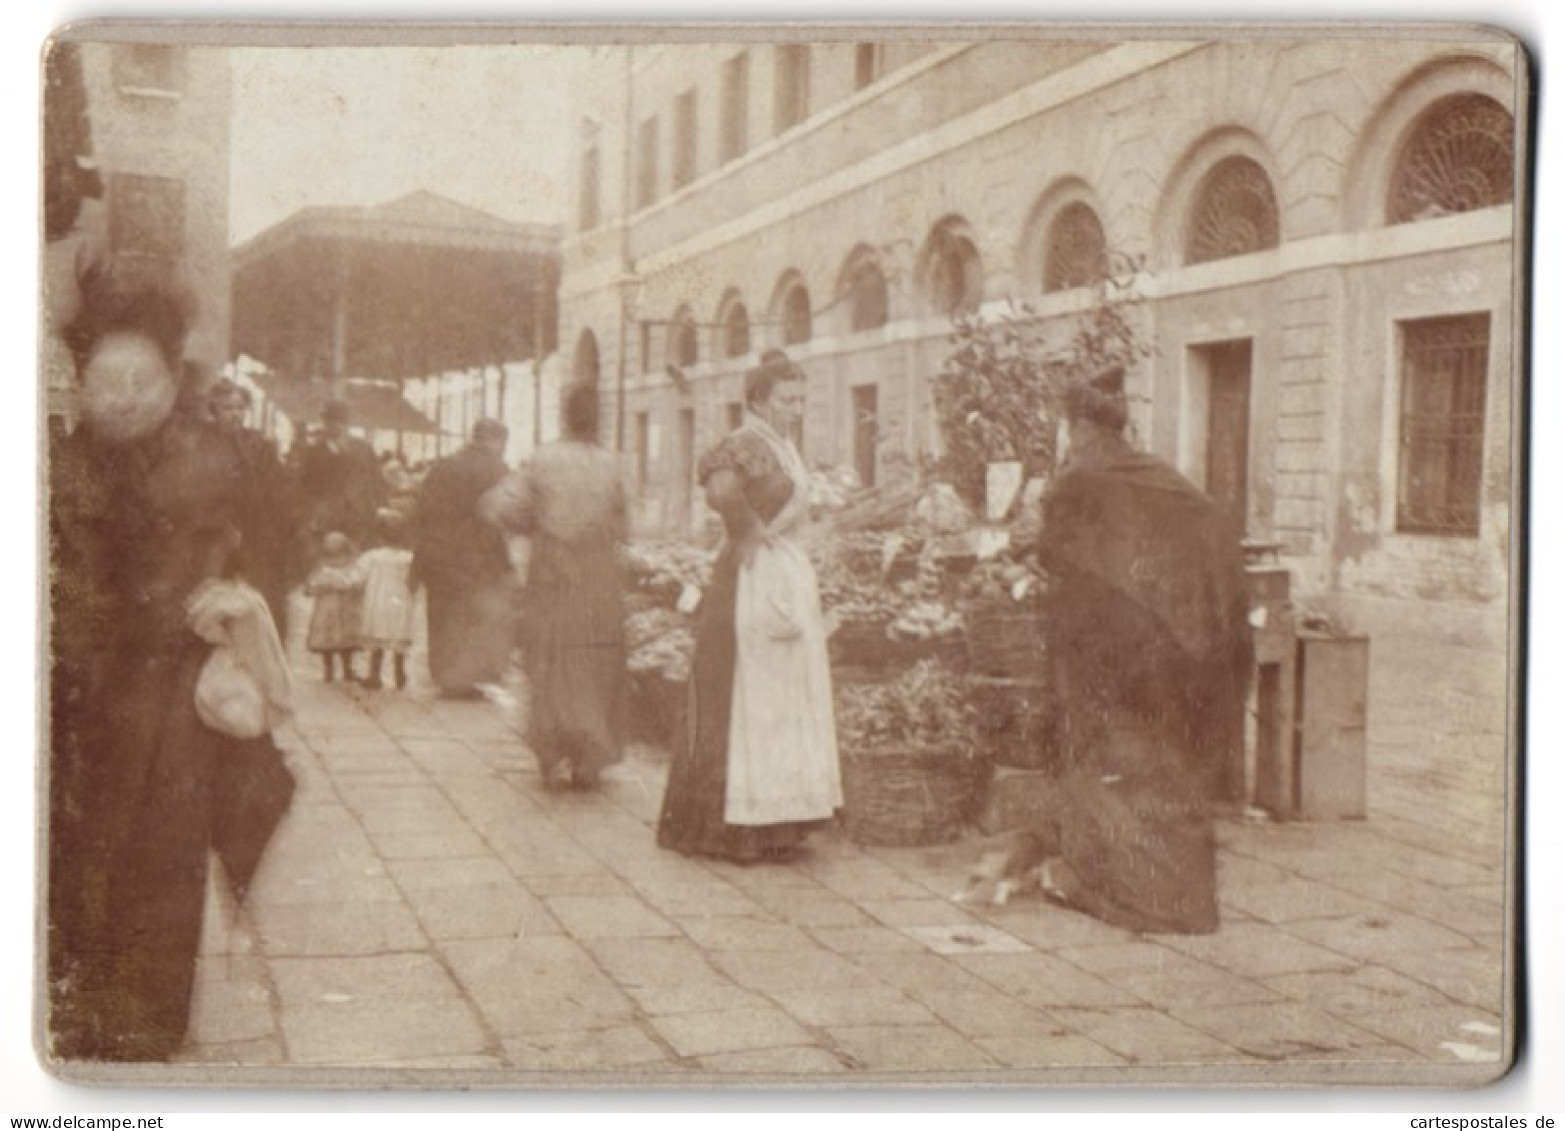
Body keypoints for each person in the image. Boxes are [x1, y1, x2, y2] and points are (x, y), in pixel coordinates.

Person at [48, 275, 294, 1061]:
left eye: (138, 382)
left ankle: (146, 1017)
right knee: (77, 856)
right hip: (81, 697)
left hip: (167, 697)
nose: (119, 399)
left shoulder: (204, 457)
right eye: (104, 382)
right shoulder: (62, 459)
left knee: (161, 851)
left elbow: (253, 552)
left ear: (167, 383)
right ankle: (77, 1007)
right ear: (80, 383)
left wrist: (233, 590)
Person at [1030, 366, 1253, 935]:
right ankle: (1174, 893)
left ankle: (1114, 888)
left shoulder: (1078, 477)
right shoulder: (1150, 471)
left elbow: (1058, 558)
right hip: (1176, 645)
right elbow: (1211, 524)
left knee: (1107, 763)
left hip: (1114, 654)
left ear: (1075, 423)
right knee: (1163, 772)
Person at [657, 349, 842, 863]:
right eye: (788, 400)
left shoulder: (781, 445)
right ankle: (737, 826)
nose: (797, 410)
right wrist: (750, 531)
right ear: (759, 401)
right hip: (750, 578)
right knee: (751, 696)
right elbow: (719, 489)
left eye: (802, 400)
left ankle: (779, 821)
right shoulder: (744, 441)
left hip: (781, 569)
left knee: (782, 699)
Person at [482, 382, 628, 790]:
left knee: (550, 654)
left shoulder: (542, 458)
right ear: (597, 416)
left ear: (566, 414)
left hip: (553, 569)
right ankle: (589, 757)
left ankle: (550, 750)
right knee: (595, 659)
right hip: (597, 572)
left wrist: (534, 527)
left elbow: (498, 506)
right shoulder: (611, 462)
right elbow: (622, 523)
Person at [411, 418, 514, 698]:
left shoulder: (443, 465)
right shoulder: (497, 469)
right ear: (495, 441)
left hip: (441, 553)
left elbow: (424, 509)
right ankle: (468, 678)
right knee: (474, 615)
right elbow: (506, 514)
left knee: (444, 614)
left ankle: (446, 676)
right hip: (479, 556)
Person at [206, 378, 300, 638]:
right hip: (215, 528)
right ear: (214, 410)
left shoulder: (259, 445)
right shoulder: (204, 443)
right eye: (227, 408)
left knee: (258, 597)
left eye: (239, 408)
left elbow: (275, 491)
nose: (235, 415)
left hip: (257, 531)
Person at [297, 398, 384, 553]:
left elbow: (376, 480)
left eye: (341, 421)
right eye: (331, 421)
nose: (336, 426)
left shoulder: (363, 448)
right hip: (327, 516)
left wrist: (377, 506)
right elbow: (306, 486)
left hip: (359, 516)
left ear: (347, 423)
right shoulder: (314, 452)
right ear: (324, 423)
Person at [356, 509, 417, 691]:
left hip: (379, 602)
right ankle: (400, 674)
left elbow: (358, 577)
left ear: (380, 535)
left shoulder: (372, 557)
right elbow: (413, 581)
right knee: (397, 636)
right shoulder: (408, 558)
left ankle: (374, 675)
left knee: (378, 637)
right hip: (400, 602)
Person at [304, 532, 364, 683]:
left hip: (338, 609)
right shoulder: (323, 568)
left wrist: (330, 584)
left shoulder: (346, 567)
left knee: (342, 640)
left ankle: (343, 669)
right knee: (330, 640)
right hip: (333, 609)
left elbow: (357, 583)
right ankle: (332, 669)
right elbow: (310, 588)